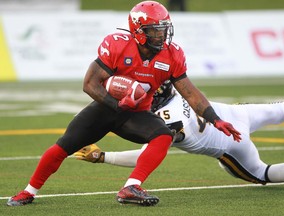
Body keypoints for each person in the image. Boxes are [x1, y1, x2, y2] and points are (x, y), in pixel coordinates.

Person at [7, 1, 241, 207]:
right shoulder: (118, 44)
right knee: (63, 146)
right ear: (138, 31)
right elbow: (90, 83)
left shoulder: (172, 54)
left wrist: (215, 119)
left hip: (137, 114)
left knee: (163, 136)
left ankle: (131, 187)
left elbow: (190, 92)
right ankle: (28, 192)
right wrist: (116, 104)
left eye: (163, 30)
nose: (161, 36)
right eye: (155, 31)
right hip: (107, 108)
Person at [74, 81, 284, 185]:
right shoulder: (178, 88)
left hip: (231, 143)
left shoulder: (164, 119)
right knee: (282, 109)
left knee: (262, 173)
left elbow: (145, 156)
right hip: (237, 113)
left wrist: (104, 157)